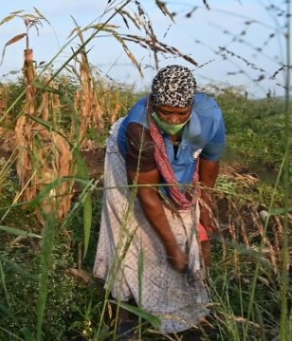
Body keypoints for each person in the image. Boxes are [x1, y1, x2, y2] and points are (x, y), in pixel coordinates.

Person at [93, 65, 226, 338]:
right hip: (127, 161)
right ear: (152, 103)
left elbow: (209, 164)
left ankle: (192, 305)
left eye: (182, 113)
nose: (174, 119)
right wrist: (171, 248)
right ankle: (124, 312)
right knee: (130, 229)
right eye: (166, 112)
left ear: (192, 105)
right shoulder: (138, 131)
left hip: (178, 165)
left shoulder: (209, 116)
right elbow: (147, 194)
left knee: (191, 233)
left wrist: (205, 208)